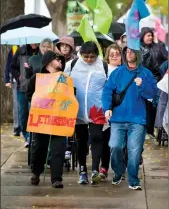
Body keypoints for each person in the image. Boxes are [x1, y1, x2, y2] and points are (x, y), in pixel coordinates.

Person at [102, 47, 157, 190]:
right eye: (127, 52)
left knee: (134, 150)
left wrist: (142, 85)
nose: (129, 54)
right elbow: (107, 90)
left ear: (138, 54)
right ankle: (118, 171)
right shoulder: (118, 72)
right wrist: (107, 108)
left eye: (132, 51)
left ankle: (133, 180)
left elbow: (152, 95)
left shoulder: (146, 73)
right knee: (115, 146)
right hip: (118, 118)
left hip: (138, 119)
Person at [65, 42, 108, 185]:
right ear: (80, 54)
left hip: (97, 110)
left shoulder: (103, 66)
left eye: (92, 57)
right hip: (77, 109)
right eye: (86, 56)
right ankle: (83, 170)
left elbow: (108, 87)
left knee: (97, 138)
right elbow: (63, 84)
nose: (89, 59)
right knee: (81, 141)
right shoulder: (72, 65)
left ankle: (95, 169)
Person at [26, 51, 66, 188]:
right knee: (39, 147)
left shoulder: (65, 79)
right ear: (49, 61)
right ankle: (36, 173)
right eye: (57, 59)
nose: (61, 61)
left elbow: (72, 95)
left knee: (58, 149)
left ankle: (56, 178)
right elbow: (29, 94)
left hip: (59, 120)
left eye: (61, 60)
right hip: (42, 119)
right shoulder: (37, 79)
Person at [99, 44, 122, 179]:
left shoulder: (125, 70)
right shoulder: (103, 69)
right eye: (111, 54)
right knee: (105, 139)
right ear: (107, 56)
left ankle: (120, 166)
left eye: (117, 54)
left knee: (120, 141)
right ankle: (104, 167)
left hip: (121, 109)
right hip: (107, 109)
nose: (114, 56)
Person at [11, 44, 39, 146]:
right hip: (21, 88)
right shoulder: (21, 51)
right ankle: (26, 135)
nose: (34, 44)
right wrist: (18, 75)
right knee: (22, 114)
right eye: (32, 42)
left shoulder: (41, 52)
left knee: (33, 114)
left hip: (36, 89)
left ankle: (32, 138)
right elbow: (12, 67)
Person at [4, 45, 20, 136]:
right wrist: (7, 80)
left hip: (28, 80)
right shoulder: (13, 49)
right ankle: (17, 127)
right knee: (16, 104)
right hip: (15, 80)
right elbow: (8, 65)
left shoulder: (32, 48)